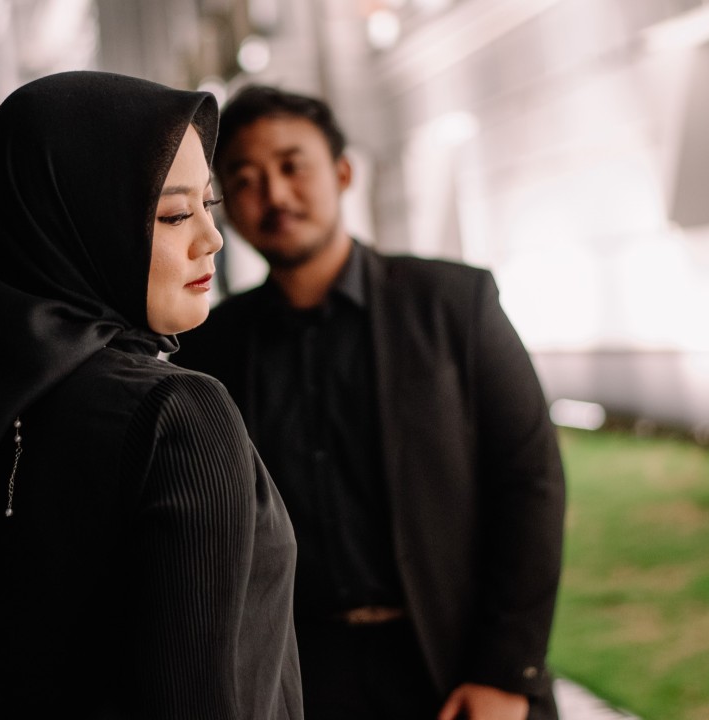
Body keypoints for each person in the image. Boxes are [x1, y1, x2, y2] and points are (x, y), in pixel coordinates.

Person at [0, 71, 302, 720]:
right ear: (76, 225)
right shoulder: (176, 415)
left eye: (209, 204)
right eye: (174, 214)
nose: (212, 238)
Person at [174, 84, 566, 720]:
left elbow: (530, 481)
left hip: (451, 663)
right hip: (298, 679)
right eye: (244, 180)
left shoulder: (454, 304)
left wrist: (504, 672)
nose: (274, 194)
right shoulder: (209, 347)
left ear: (343, 172)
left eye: (292, 166)